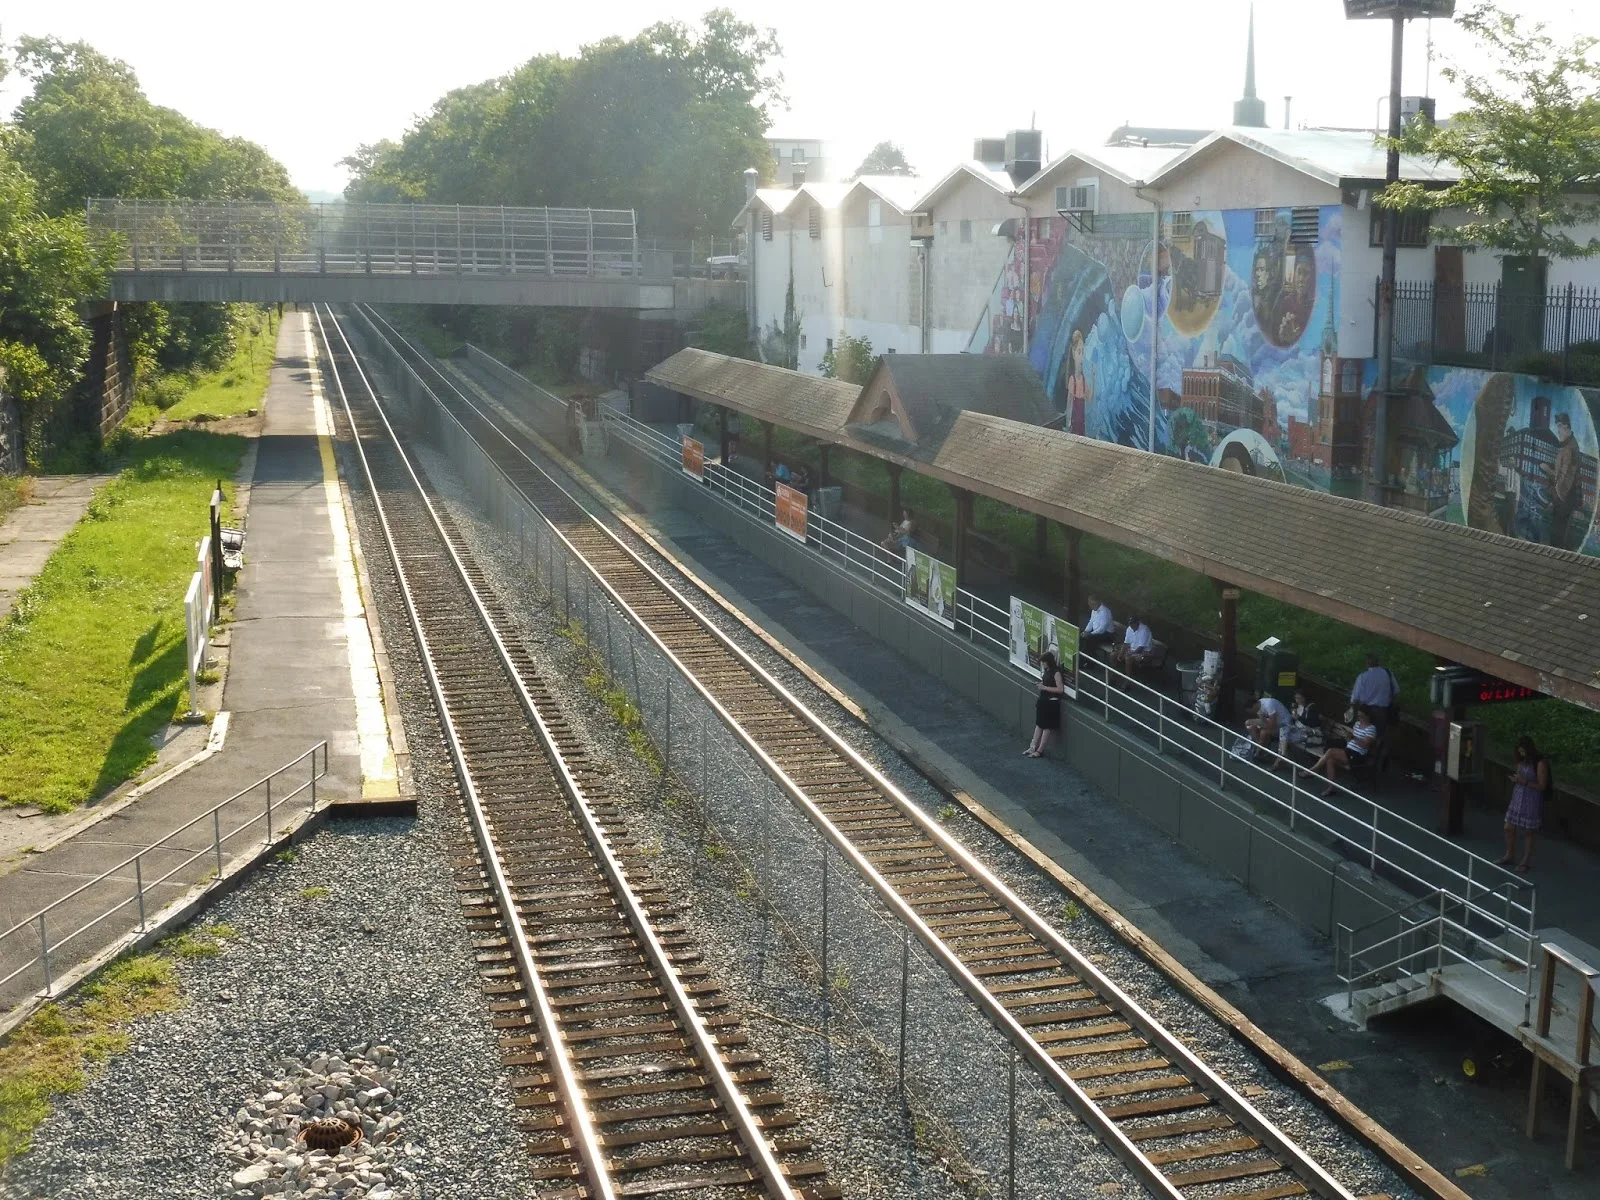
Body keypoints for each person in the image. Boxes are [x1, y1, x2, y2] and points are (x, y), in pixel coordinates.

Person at [1499, 735, 1549, 872]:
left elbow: (1542, 786)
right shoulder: (1522, 761)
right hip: (1518, 795)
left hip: (1531, 798)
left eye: (1523, 751)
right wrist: (1516, 780)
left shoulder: (1539, 763)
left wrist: (1524, 782)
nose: (1521, 754)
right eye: (1519, 752)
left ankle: (1525, 861)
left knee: (1529, 831)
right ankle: (1510, 854)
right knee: (1508, 826)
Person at [1310, 705, 1378, 796]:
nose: (1360, 718)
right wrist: (1347, 737)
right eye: (1359, 716)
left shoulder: (1371, 728)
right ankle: (1331, 788)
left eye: (1361, 716)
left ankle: (1312, 770)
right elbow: (1351, 741)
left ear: (1367, 716)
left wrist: (1353, 737)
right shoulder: (1357, 724)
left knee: (1330, 751)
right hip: (1349, 750)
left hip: (1358, 754)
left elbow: (1365, 745)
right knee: (1330, 759)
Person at [1546, 412, 1580, 549]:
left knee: (1558, 537)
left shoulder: (1570, 448)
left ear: (1566, 426)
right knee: (1557, 536)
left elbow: (1565, 478)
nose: (1558, 430)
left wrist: (1548, 471)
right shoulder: (1568, 446)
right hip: (1563, 499)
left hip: (1563, 499)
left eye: (1559, 426)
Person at [1025, 649, 1066, 758]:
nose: (1042, 664)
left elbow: (1060, 689)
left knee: (1046, 727)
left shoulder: (1056, 673)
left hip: (1051, 703)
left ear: (1048, 661)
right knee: (1039, 725)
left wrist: (1044, 687)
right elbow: (1048, 683)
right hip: (1043, 700)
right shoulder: (1047, 671)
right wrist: (1041, 684)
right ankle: (1032, 747)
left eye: (1043, 662)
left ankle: (1039, 750)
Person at [1349, 654, 1398, 730]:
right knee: (1378, 734)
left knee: (1363, 734)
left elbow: (1354, 698)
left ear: (1367, 664)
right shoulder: (1388, 673)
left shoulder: (1362, 677)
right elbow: (1396, 691)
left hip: (1365, 711)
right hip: (1382, 711)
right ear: (1379, 662)